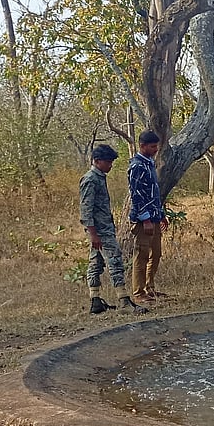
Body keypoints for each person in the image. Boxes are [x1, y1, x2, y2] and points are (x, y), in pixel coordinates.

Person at [80, 144, 147, 314]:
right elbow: (85, 210)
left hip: (103, 229)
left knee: (96, 263)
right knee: (115, 260)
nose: (110, 165)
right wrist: (94, 234)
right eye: (108, 162)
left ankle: (95, 300)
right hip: (100, 231)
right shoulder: (90, 179)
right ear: (97, 161)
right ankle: (123, 300)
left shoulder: (99, 177)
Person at [128, 130, 169, 303]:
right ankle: (139, 292)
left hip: (154, 216)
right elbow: (137, 195)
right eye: (152, 146)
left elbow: (153, 193)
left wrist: (160, 215)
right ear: (142, 146)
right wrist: (145, 218)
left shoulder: (149, 164)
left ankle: (150, 288)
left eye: (156, 146)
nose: (155, 149)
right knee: (142, 255)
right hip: (143, 219)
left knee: (156, 254)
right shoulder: (137, 166)